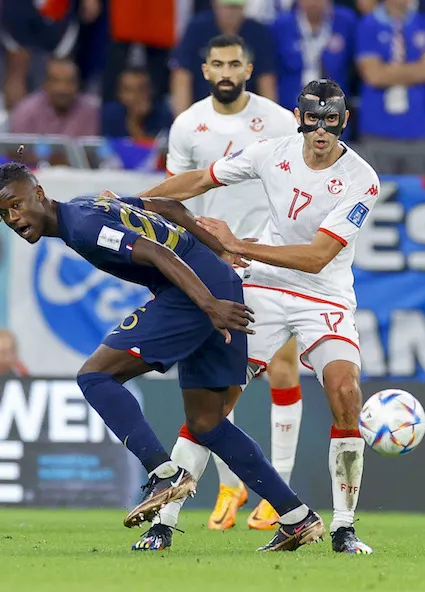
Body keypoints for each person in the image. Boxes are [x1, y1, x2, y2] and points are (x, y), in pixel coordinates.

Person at [0, 147, 325, 552]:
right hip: (216, 287)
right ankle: (297, 517)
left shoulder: (81, 224)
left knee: (95, 376)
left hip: (196, 296)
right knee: (207, 424)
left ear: (38, 193)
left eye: (16, 205)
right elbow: (166, 206)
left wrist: (208, 304)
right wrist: (220, 254)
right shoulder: (88, 206)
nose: (13, 219)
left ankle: (163, 473)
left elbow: (154, 252)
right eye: (3, 214)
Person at [139, 79, 380, 555]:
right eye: (313, 118)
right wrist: (136, 202)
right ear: (299, 116)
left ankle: (344, 528)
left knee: (345, 391)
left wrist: (236, 245)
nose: (321, 130)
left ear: (344, 122)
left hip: (325, 294)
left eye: (332, 120)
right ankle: (163, 523)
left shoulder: (361, 179)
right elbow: (202, 178)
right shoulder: (273, 152)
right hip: (265, 288)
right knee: (215, 402)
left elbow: (316, 257)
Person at [163, 33, 304, 533]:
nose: (226, 71)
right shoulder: (187, 126)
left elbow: (294, 185)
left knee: (281, 369)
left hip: (264, 253)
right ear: (205, 70)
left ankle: (273, 490)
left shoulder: (280, 121)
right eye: (217, 63)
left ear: (248, 69)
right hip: (211, 260)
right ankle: (233, 481)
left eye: (234, 64)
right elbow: (177, 196)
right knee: (223, 378)